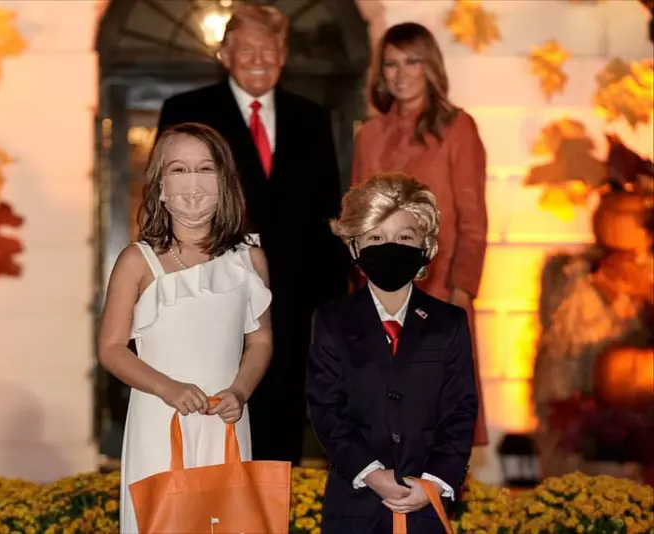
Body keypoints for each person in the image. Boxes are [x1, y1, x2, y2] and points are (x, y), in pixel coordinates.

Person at [156, 4, 348, 464]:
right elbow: (164, 203)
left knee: (280, 436)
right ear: (225, 55)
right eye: (246, 49)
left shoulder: (312, 117)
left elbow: (329, 218)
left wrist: (332, 309)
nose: (258, 59)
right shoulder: (186, 112)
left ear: (283, 55)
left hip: (293, 306)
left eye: (269, 49)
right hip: (208, 293)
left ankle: (272, 507)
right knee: (210, 429)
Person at [97, 122, 273, 533]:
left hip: (226, 419)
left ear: (224, 181)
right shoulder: (137, 261)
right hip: (160, 418)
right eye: (179, 169)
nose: (192, 182)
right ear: (160, 185)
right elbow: (111, 348)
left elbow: (261, 341)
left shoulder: (249, 259)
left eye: (205, 169)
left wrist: (240, 391)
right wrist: (168, 388)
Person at [306, 174, 478, 534]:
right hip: (354, 506)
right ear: (355, 246)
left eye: (404, 237)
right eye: (376, 238)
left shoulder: (449, 323)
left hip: (426, 505)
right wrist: (371, 473)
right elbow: (326, 408)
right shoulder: (331, 321)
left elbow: (461, 410)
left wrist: (433, 481)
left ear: (425, 246)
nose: (390, 247)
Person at [351, 22, 488, 445]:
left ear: (430, 66)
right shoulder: (369, 135)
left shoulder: (457, 128)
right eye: (391, 64)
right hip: (378, 294)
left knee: (439, 422)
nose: (401, 73)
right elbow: (357, 222)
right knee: (380, 422)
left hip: (440, 289)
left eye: (412, 61)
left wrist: (461, 292)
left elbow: (473, 220)